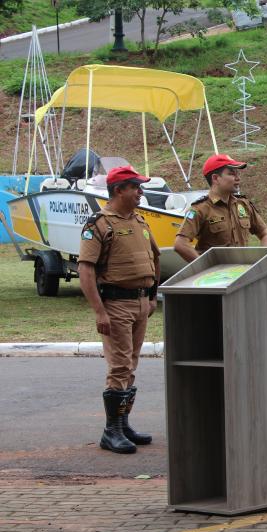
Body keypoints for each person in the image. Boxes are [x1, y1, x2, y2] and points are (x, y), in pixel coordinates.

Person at [78, 166, 160, 455]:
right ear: (118, 190)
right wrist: (100, 312)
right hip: (116, 304)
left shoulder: (140, 221)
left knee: (131, 366)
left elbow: (155, 258)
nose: (141, 192)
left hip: (139, 304)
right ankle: (110, 431)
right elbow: (85, 270)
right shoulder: (99, 224)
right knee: (120, 366)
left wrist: (151, 296)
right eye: (135, 187)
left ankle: (122, 424)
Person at [174, 154, 267, 262]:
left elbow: (265, 234)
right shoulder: (200, 209)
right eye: (231, 174)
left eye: (238, 173)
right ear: (216, 178)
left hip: (242, 273)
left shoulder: (243, 205)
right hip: (217, 277)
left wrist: (260, 260)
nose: (238, 178)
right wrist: (203, 268)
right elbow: (180, 244)